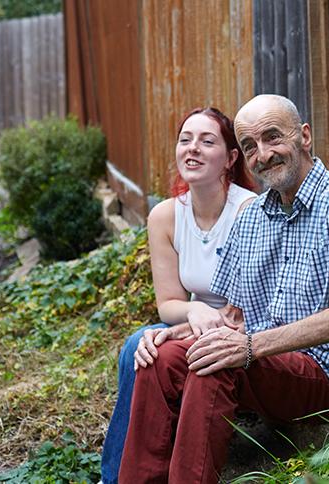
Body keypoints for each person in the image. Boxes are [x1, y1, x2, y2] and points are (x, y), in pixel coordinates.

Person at [118, 94, 329, 483]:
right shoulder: (253, 215)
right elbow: (233, 317)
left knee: (216, 363)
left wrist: (250, 347)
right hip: (272, 368)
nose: (263, 154)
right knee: (159, 357)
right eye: (250, 145)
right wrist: (176, 333)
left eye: (272, 137)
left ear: (304, 136)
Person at [99, 107, 258, 484]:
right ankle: (115, 475)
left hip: (242, 329)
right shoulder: (165, 216)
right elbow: (168, 302)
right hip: (191, 322)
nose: (193, 149)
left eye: (207, 141)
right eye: (185, 140)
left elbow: (254, 303)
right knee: (139, 344)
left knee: (146, 346)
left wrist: (208, 320)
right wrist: (194, 310)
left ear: (231, 158)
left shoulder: (249, 211)